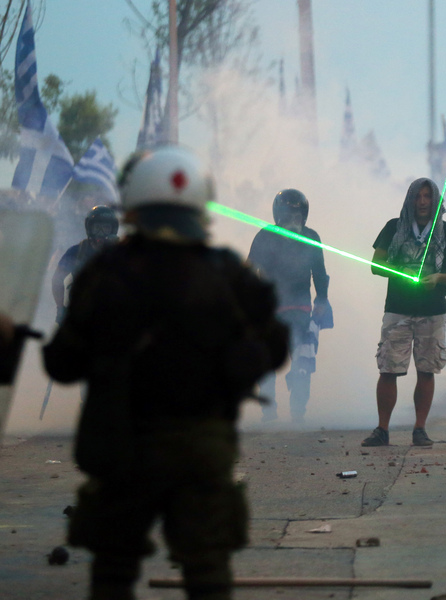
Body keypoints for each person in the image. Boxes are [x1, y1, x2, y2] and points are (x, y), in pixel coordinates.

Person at [42, 145, 289, 600]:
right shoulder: (226, 272)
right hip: (201, 445)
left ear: (133, 206)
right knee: (207, 570)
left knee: (113, 570)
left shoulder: (103, 275)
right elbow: (275, 345)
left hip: (122, 445)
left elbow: (61, 363)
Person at [361, 177, 446, 447]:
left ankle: (420, 429)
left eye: (428, 197)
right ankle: (382, 429)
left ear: (435, 200)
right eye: (418, 196)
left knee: (426, 370)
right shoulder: (394, 227)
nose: (422, 202)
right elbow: (375, 265)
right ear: (409, 200)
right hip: (398, 309)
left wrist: (438, 278)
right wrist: (400, 271)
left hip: (433, 310)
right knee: (388, 369)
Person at [247, 189, 331, 426]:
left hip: (302, 308)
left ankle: (298, 411)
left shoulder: (312, 237)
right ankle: (268, 410)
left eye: (296, 212)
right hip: (270, 308)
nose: (292, 216)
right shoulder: (266, 235)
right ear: (277, 213)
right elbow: (249, 268)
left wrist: (322, 300)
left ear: (304, 213)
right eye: (287, 211)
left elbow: (320, 273)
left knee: (302, 359)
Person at [51, 205, 120, 325]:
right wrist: (60, 308)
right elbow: (57, 279)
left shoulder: (121, 252)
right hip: (82, 312)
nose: (101, 232)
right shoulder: (76, 252)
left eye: (106, 228)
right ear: (90, 228)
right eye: (97, 227)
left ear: (112, 229)